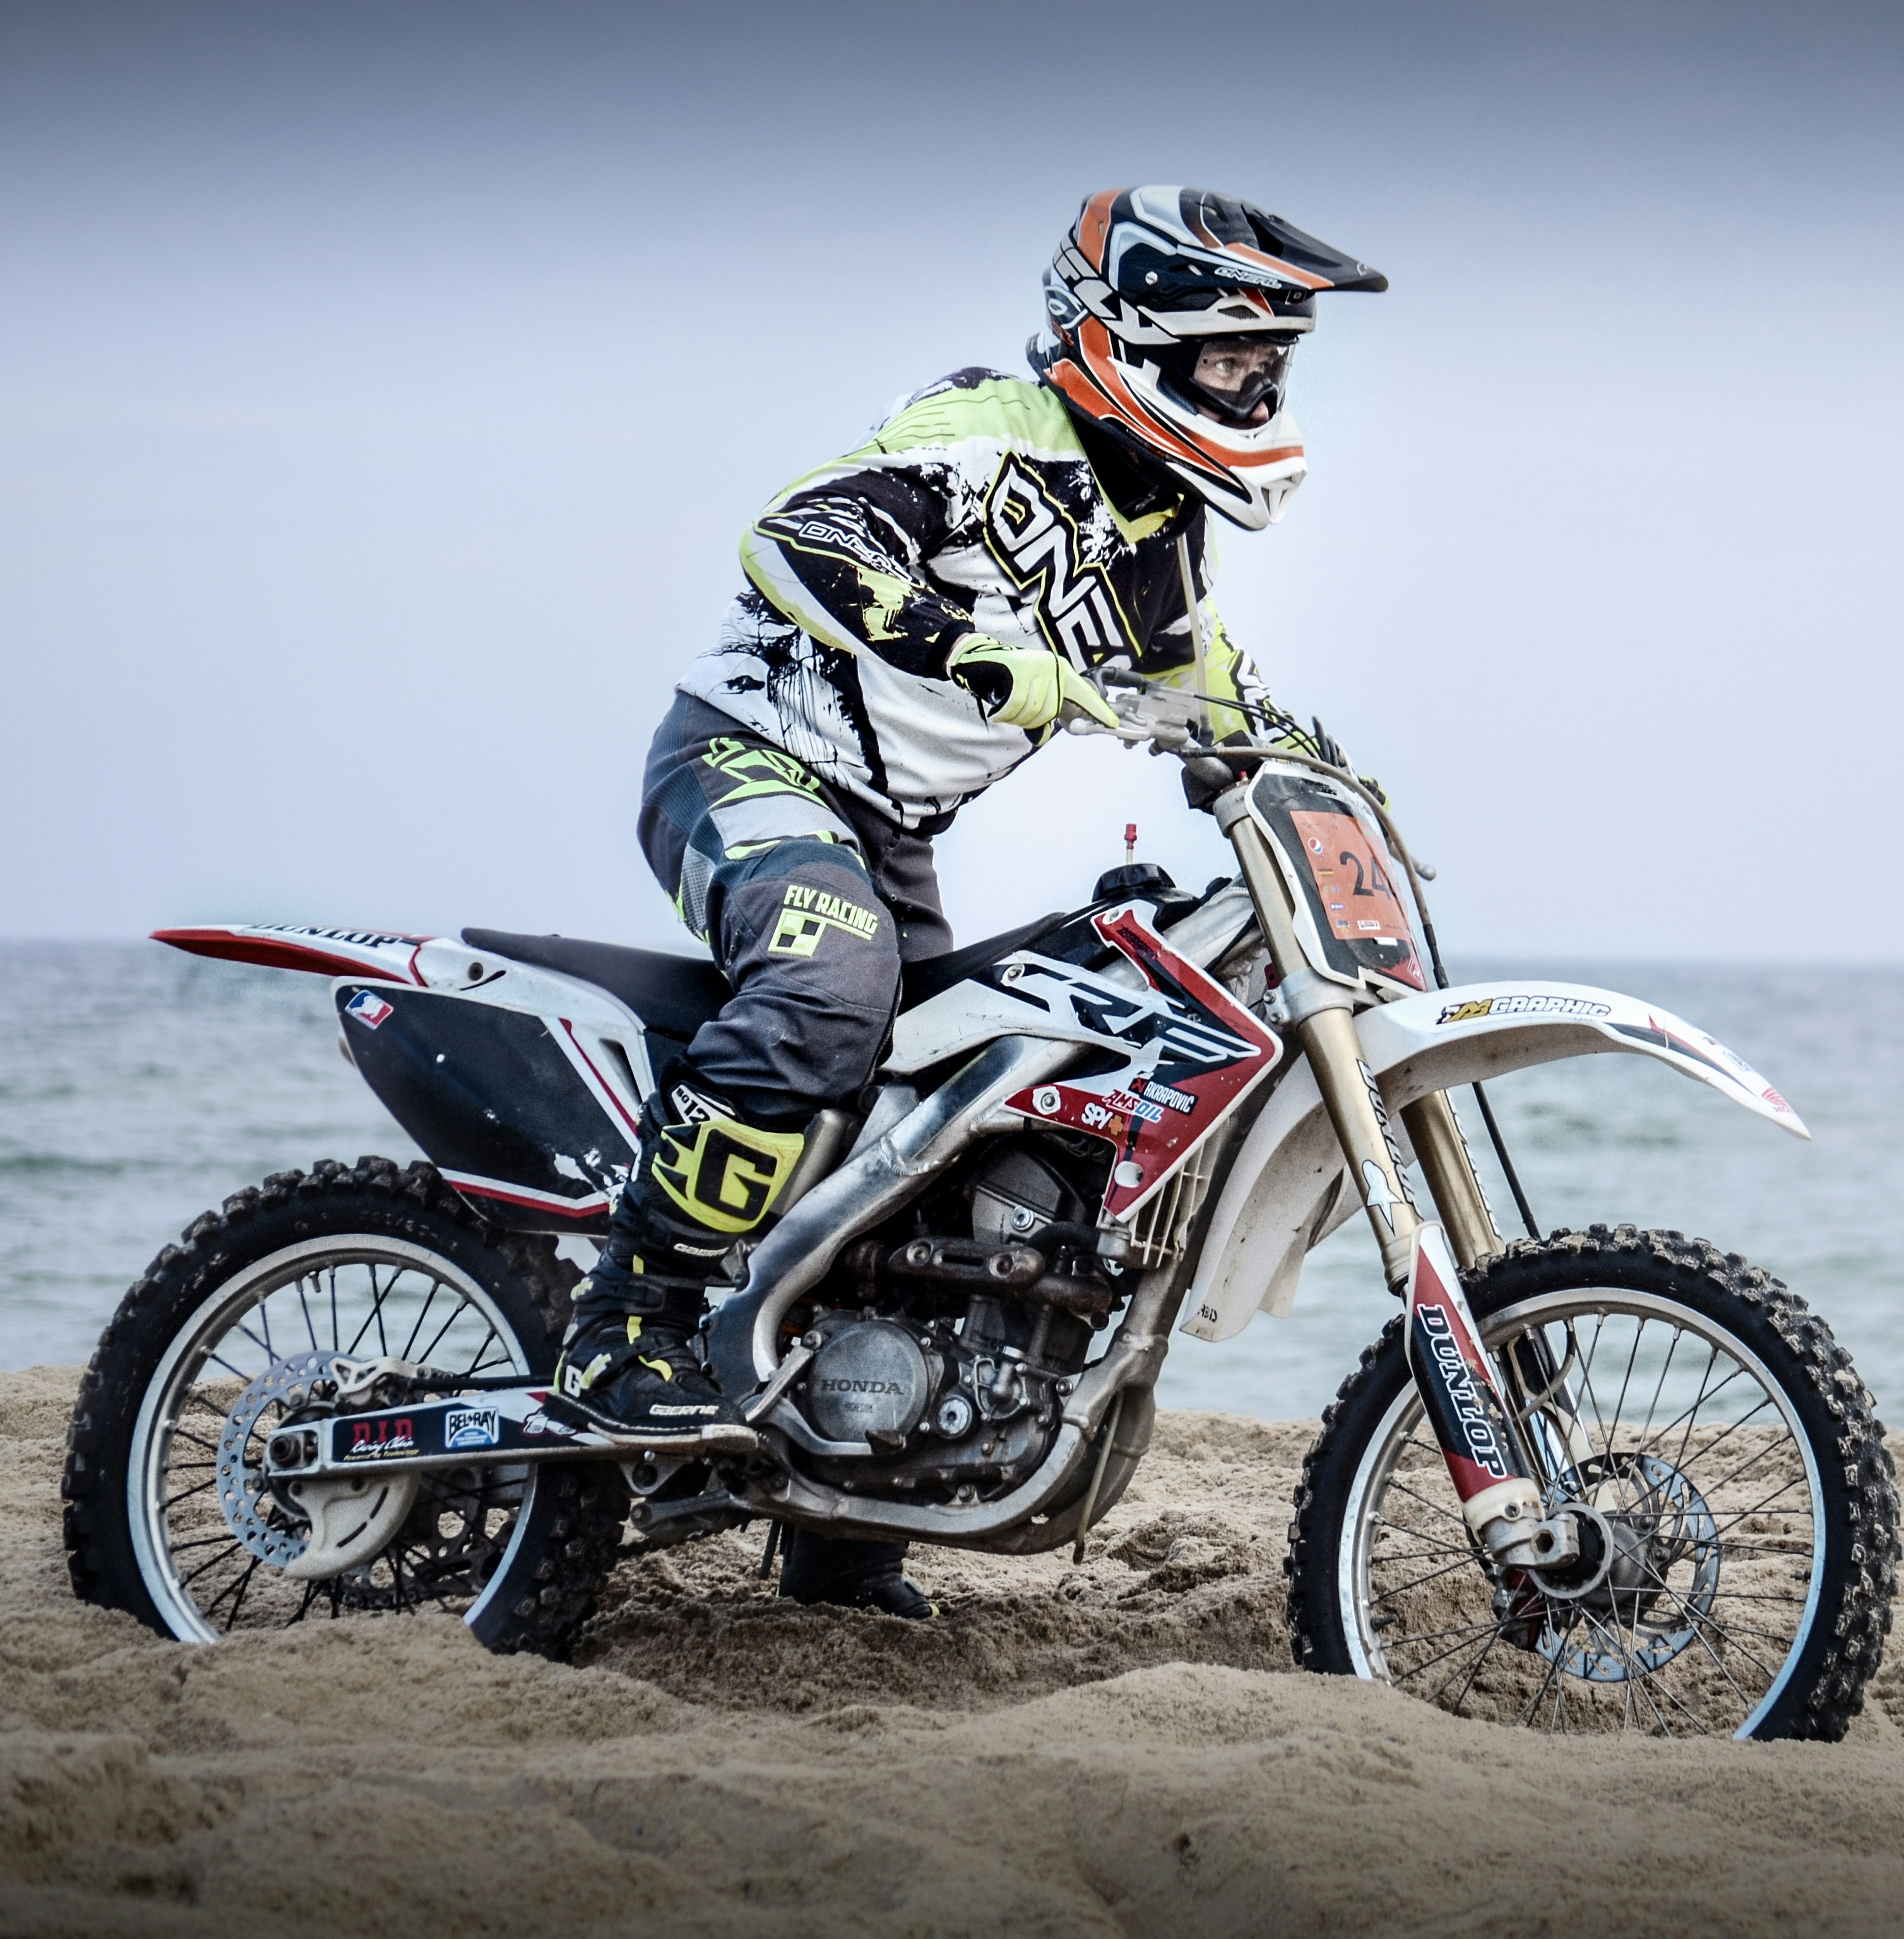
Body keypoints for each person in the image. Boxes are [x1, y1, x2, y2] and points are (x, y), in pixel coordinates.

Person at [552, 187, 1386, 1616]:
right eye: (1234, 359)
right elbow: (792, 544)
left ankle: (841, 1519)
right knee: (827, 989)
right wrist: (972, 652)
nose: (1258, 386)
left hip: (886, 830)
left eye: (1271, 365)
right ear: (1133, 337)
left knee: (959, 1117)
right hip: (746, 763)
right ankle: (622, 1317)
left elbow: (1207, 698)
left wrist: (1310, 763)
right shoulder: (981, 435)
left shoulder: (1158, 530)